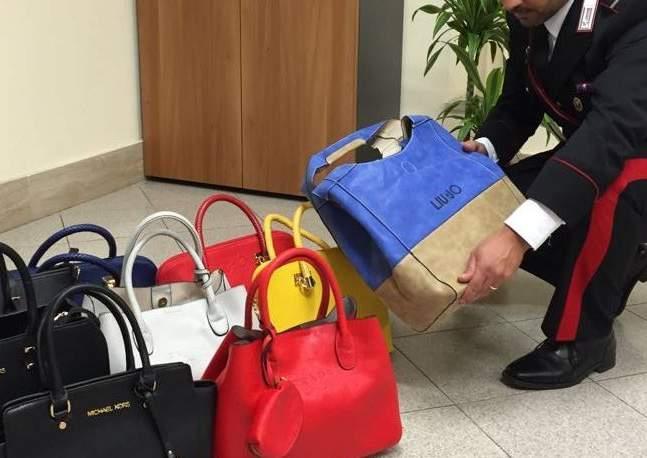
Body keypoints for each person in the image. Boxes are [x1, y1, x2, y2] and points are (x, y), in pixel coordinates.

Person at [458, 0, 647, 389]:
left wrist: (517, 236)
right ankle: (623, 262)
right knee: (502, 199)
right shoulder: (530, 13)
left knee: (610, 186)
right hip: (605, 146)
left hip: (629, 151)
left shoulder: (632, 15)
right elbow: (520, 103)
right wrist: (486, 149)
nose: (509, 3)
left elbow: (611, 132)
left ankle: (584, 341)